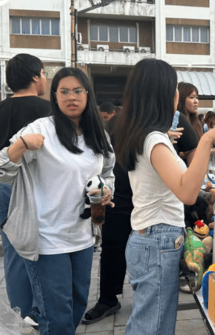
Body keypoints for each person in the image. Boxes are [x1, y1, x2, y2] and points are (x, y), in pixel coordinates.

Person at [112, 59, 215, 335]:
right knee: (152, 327)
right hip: (157, 239)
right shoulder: (153, 139)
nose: (177, 94)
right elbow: (186, 193)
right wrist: (206, 140)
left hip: (150, 237)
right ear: (162, 93)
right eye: (173, 87)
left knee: (152, 322)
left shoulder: (143, 134)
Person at [0, 67, 115, 333]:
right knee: (56, 315)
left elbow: (107, 172)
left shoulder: (97, 134)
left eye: (77, 91)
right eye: (63, 91)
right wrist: (21, 144)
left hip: (82, 237)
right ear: (54, 96)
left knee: (77, 305)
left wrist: (106, 191)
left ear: (87, 95)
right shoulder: (41, 129)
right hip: (47, 238)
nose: (71, 97)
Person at [0, 53, 51, 328]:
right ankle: (44, 311)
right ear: (35, 77)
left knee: (14, 250)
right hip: (40, 186)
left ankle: (20, 315)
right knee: (46, 247)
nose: (45, 79)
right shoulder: (49, 111)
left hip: (5, 186)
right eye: (43, 73)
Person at [82, 115, 134, 325]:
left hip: (149, 199)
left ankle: (148, 297)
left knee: (149, 250)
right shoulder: (116, 123)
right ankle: (108, 299)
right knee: (112, 248)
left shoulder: (161, 122)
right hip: (117, 196)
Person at [173, 83, 201, 163]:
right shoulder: (175, 122)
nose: (196, 101)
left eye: (197, 98)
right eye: (192, 97)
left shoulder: (196, 123)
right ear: (180, 98)